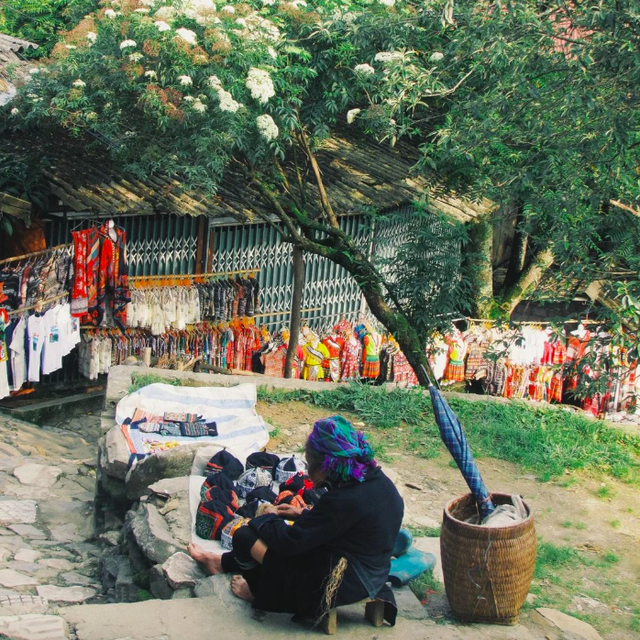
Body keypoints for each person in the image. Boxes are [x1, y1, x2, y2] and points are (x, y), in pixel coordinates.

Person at [188, 415, 404, 624]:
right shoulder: (378, 482)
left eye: (310, 464)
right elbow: (344, 524)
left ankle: (259, 593)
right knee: (282, 533)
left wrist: (266, 518)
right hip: (373, 574)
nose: (308, 472)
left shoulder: (344, 500)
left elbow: (288, 543)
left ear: (325, 465)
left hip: (345, 583)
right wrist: (301, 514)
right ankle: (222, 562)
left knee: (245, 536)